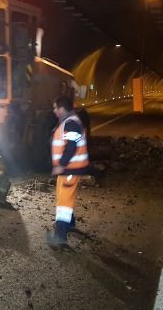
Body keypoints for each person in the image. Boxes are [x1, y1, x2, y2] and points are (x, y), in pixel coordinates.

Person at [46, 95, 90, 248]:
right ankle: (69, 223)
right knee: (63, 196)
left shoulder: (71, 123)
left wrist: (61, 165)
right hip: (69, 169)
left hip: (70, 168)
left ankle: (59, 239)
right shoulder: (69, 121)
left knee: (63, 203)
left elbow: (71, 145)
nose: (54, 111)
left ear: (61, 108)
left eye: (55, 108)